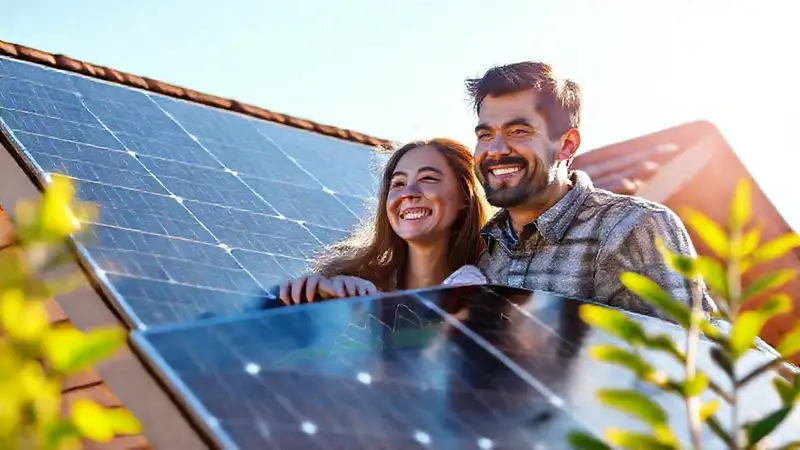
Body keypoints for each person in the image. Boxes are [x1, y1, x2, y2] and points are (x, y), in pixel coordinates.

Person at [465, 61, 717, 318]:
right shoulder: (480, 251)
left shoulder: (634, 226)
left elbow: (689, 350)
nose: (495, 149)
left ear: (568, 145)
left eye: (518, 131)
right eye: (485, 135)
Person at [276, 138, 491, 305]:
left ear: (465, 197)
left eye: (428, 178)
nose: (408, 193)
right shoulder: (353, 280)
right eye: (398, 183)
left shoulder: (488, 293)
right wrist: (322, 299)